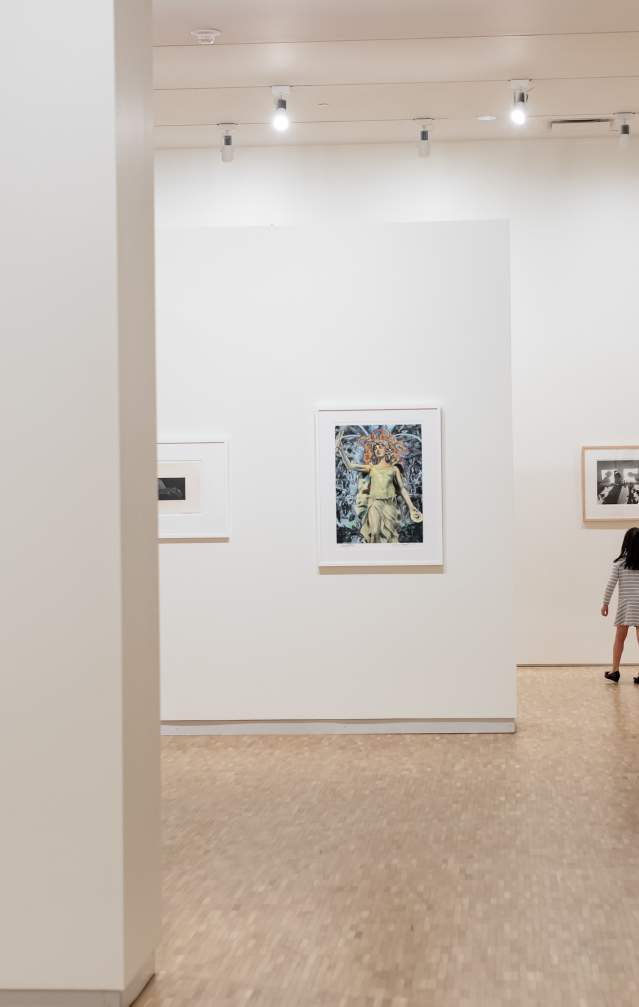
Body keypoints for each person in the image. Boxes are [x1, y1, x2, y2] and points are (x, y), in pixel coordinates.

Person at [336, 427, 422, 543]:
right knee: (374, 532)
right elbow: (350, 466)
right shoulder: (371, 468)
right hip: (375, 504)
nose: (377, 449)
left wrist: (411, 507)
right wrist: (340, 449)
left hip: (389, 505)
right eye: (375, 448)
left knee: (389, 535)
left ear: (387, 450)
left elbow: (402, 489)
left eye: (380, 447)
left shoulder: (394, 469)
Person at [601, 527, 639, 682]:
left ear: (625, 544)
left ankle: (615, 671)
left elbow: (610, 584)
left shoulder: (619, 563)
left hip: (625, 605)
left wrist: (605, 603)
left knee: (619, 639)